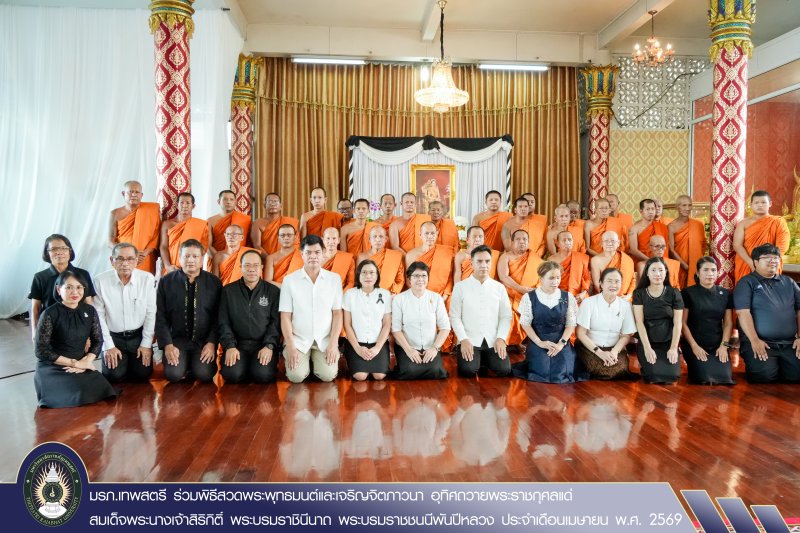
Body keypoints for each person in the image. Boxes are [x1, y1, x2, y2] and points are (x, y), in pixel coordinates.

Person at [34, 270, 117, 408]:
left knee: (103, 389)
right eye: (69, 287)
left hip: (81, 364)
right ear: (58, 289)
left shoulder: (90, 310)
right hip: (53, 366)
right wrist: (75, 363)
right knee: (76, 392)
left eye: (79, 287)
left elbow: (97, 341)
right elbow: (41, 350)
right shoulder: (49, 313)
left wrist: (86, 362)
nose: (75, 292)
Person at [155, 239, 222, 383]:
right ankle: (185, 364)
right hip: (176, 341)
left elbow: (218, 317)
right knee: (173, 375)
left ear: (202, 259)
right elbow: (160, 316)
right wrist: (167, 345)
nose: (190, 260)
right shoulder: (166, 281)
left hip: (203, 341)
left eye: (195, 256)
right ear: (179, 258)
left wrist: (211, 343)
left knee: (204, 374)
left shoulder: (214, 282)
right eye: (186, 256)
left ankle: (193, 365)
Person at [280, 235, 344, 383]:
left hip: (324, 340)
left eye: (317, 252)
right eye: (308, 252)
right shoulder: (289, 280)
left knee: (328, 376)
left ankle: (314, 363)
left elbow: (337, 314)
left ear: (323, 253)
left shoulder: (334, 279)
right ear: (301, 254)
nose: (313, 256)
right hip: (298, 340)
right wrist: (291, 346)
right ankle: (305, 363)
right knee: (296, 377)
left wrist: (333, 344)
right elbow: (285, 316)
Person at [733, 243, 800, 383]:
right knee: (763, 377)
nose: (773, 261)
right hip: (760, 342)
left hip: (789, 343)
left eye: (776, 258)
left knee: (796, 377)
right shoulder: (746, 283)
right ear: (755, 262)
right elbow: (742, 313)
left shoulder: (789, 282)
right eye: (767, 257)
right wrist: (754, 340)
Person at [93, 243, 157, 383]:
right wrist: (108, 346)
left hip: (137, 336)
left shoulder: (147, 279)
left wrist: (146, 344)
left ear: (136, 260)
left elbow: (151, 313)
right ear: (112, 260)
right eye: (120, 259)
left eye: (130, 259)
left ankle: (129, 362)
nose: (125, 263)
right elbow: (98, 317)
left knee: (143, 374)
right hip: (114, 337)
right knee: (114, 376)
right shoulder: (100, 281)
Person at [512, 261, 585, 383]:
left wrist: (561, 344)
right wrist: (539, 342)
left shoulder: (566, 297)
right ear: (541, 278)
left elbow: (570, 323)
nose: (555, 281)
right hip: (539, 341)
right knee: (542, 370)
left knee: (562, 371)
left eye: (558, 277)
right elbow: (525, 324)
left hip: (561, 342)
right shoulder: (529, 297)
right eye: (551, 278)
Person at [218, 249, 281, 384]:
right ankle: (244, 367)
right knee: (232, 375)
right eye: (247, 265)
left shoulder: (273, 292)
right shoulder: (228, 291)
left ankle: (252, 367)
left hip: (262, 345)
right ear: (240, 267)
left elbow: (275, 322)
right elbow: (223, 322)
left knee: (263, 375)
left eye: (255, 265)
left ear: (261, 267)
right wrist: (230, 346)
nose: (251, 269)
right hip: (238, 345)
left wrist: (269, 346)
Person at [449, 245, 512, 377]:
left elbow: (506, 316)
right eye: (479, 261)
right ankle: (478, 360)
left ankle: (484, 360)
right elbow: (454, 317)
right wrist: (463, 339)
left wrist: (501, 338)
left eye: (487, 261)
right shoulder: (460, 287)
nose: (484, 265)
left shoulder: (499, 288)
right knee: (468, 371)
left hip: (493, 339)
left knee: (504, 370)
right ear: (471, 263)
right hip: (469, 339)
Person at [29, 234, 96, 340]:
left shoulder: (83, 274)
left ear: (70, 251)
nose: (59, 252)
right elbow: (35, 308)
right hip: (50, 328)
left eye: (63, 248)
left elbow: (89, 305)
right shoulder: (40, 277)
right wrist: (35, 332)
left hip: (78, 327)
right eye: (53, 249)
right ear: (47, 253)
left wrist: (90, 334)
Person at [391, 262, 450, 380]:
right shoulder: (399, 299)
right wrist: (409, 350)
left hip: (430, 346)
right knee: (410, 370)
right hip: (407, 346)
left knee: (436, 371)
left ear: (428, 278)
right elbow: (396, 329)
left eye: (424, 276)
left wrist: (434, 348)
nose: (420, 279)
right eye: (416, 276)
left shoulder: (436, 298)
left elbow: (445, 327)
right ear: (409, 279)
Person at [680, 256, 735, 385]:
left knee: (725, 378)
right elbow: (682, 323)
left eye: (713, 270)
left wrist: (724, 346)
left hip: (717, 344)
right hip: (694, 344)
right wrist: (694, 346)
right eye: (705, 270)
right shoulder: (687, 293)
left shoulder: (725, 294)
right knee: (704, 378)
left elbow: (728, 323)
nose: (710, 273)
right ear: (698, 273)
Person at [575, 267, 637, 380]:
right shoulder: (588, 303)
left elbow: (626, 335)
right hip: (590, 347)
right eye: (609, 281)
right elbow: (580, 333)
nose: (613, 285)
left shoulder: (626, 305)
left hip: (614, 348)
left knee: (620, 368)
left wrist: (614, 352)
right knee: (597, 367)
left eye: (617, 281)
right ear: (601, 283)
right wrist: (599, 352)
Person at [632, 257, 684, 384]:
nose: (657, 274)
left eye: (661, 270)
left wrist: (673, 348)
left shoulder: (674, 293)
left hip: (668, 342)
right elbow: (639, 323)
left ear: (666, 272)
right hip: (648, 342)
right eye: (653, 270)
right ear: (647, 273)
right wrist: (647, 348)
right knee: (653, 376)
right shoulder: (639, 293)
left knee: (672, 376)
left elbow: (678, 323)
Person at [342, 260, 392, 381]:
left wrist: (377, 348)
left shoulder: (385, 294)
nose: (368, 276)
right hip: (356, 342)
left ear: (377, 275)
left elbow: (386, 324)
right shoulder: (350, 294)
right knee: (360, 376)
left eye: (371, 272)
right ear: (358, 275)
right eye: (364, 272)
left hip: (378, 343)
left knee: (379, 376)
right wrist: (358, 348)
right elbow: (347, 325)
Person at [733, 190, 791, 284]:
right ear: (751, 205)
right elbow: (737, 245)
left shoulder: (778, 222)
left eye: (763, 202)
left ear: (770, 204)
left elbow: (782, 246)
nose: (760, 205)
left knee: (768, 291)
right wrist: (752, 263)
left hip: (770, 265)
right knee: (745, 289)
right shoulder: (743, 223)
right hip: (746, 263)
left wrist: (766, 263)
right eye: (756, 203)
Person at [497, 229, 542, 346]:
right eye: (518, 239)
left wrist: (535, 290)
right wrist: (520, 289)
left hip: (530, 294)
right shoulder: (506, 256)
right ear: (512, 242)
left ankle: (521, 342)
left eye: (524, 239)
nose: (522, 242)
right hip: (510, 293)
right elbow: (503, 277)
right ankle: (507, 342)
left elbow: (542, 278)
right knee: (509, 311)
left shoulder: (535, 258)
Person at [108, 180, 160, 274]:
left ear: (141, 195)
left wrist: (145, 253)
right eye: (131, 192)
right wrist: (125, 253)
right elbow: (110, 241)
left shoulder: (151, 210)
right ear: (123, 194)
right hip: (123, 258)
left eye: (137, 192)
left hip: (143, 257)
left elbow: (156, 236)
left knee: (144, 281)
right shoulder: (115, 213)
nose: (134, 195)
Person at [404, 221, 455, 305]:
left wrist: (445, 296)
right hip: (419, 294)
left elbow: (449, 277)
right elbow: (409, 281)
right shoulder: (411, 255)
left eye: (432, 233)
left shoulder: (445, 252)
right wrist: (423, 296)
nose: (430, 236)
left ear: (437, 234)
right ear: (420, 235)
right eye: (426, 233)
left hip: (442, 295)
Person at [159, 192, 209, 274]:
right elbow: (163, 246)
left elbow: (203, 249)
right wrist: (168, 266)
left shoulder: (200, 225)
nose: (184, 206)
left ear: (193, 206)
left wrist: (195, 266)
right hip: (172, 268)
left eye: (188, 203)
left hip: (193, 268)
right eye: (182, 202)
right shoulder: (167, 224)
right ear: (177, 205)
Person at [668, 195, 707, 288]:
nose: (687, 208)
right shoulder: (671, 226)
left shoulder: (698, 224)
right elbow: (671, 249)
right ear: (677, 207)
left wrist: (695, 263)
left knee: (695, 290)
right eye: (684, 205)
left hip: (695, 265)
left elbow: (703, 245)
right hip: (679, 265)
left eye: (689, 205)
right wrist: (684, 265)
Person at [356, 225, 405, 294]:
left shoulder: (395, 256)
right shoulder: (362, 257)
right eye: (374, 236)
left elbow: (400, 279)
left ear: (386, 239)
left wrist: (394, 293)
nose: (378, 240)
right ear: (369, 239)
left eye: (381, 236)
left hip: (389, 294)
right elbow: (358, 279)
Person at [208, 189, 251, 260]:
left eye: (231, 199)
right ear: (219, 201)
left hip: (240, 260)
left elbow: (249, 244)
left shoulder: (246, 219)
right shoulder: (210, 221)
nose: (228, 202)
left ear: (236, 202)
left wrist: (241, 260)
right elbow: (208, 245)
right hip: (216, 258)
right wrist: (219, 259)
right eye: (225, 199)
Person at [548, 230, 591, 303]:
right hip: (558, 296)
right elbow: (549, 281)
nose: (567, 242)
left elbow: (587, 278)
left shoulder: (582, 258)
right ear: (557, 243)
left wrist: (583, 294)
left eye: (569, 240)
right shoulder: (551, 260)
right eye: (564, 240)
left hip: (578, 295)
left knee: (586, 304)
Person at [589, 231, 635, 298]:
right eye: (606, 241)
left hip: (624, 297)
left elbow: (633, 280)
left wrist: (629, 295)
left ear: (618, 243)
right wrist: (610, 298)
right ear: (601, 243)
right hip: (604, 296)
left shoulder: (627, 259)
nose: (609, 243)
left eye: (613, 241)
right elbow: (597, 284)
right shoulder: (595, 260)